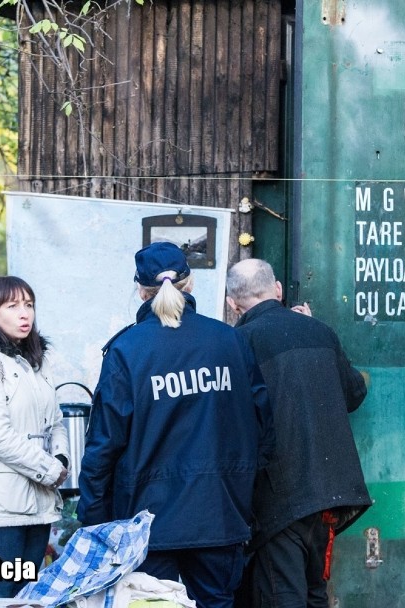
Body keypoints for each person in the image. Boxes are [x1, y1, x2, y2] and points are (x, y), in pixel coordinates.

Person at [78, 242, 274, 608]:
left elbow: (103, 445)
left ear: (141, 290)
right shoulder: (229, 341)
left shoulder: (126, 350)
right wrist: (243, 493)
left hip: (148, 524)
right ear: (191, 284)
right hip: (220, 514)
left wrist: (93, 518)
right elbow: (263, 428)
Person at [225, 258, 372, 608]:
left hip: (279, 498)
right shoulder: (319, 331)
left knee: (282, 597)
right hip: (327, 497)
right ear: (276, 289)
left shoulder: (237, 342)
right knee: (314, 594)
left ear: (233, 305)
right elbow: (354, 394)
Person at [0, 275, 69, 598]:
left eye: (29, 305)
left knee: (29, 599)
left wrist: (61, 458)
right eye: (13, 305)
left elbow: (56, 421)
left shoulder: (35, 359)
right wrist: (49, 469)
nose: (25, 314)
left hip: (39, 504)